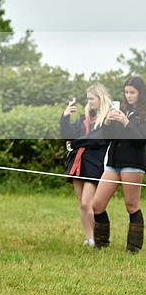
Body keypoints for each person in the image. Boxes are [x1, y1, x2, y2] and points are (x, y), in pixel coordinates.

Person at [92, 75, 146, 253]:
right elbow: (107, 138)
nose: (129, 96)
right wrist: (108, 122)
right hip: (113, 163)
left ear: (140, 93)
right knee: (97, 204)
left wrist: (126, 122)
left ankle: (133, 248)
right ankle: (101, 244)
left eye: (132, 92)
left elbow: (140, 140)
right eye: (126, 92)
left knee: (131, 205)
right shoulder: (121, 109)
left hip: (133, 163)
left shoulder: (143, 114)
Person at [59, 84, 112, 246]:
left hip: (95, 163)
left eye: (92, 98)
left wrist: (75, 143)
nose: (89, 101)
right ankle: (89, 238)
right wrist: (65, 117)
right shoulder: (84, 118)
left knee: (87, 202)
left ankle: (98, 238)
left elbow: (98, 139)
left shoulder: (107, 118)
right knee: (81, 202)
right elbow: (67, 134)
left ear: (100, 98)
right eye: (88, 98)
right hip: (78, 162)